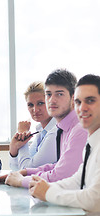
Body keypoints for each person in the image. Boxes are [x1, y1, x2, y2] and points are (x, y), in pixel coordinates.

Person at [2, 69, 87, 188]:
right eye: (48, 94)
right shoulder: (61, 128)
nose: (52, 100)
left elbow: (62, 175)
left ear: (73, 98)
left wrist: (23, 180)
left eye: (59, 94)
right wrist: (27, 172)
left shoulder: (80, 128)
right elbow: (58, 166)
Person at [29, 74, 100, 213]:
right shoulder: (91, 144)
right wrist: (45, 188)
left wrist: (48, 193)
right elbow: (77, 180)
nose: (82, 108)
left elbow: (95, 200)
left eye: (90, 101)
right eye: (78, 102)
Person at [9, 81, 57, 170]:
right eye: (30, 105)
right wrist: (13, 149)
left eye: (40, 103)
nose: (35, 110)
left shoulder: (56, 131)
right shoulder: (41, 131)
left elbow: (27, 169)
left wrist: (22, 136)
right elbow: (15, 169)